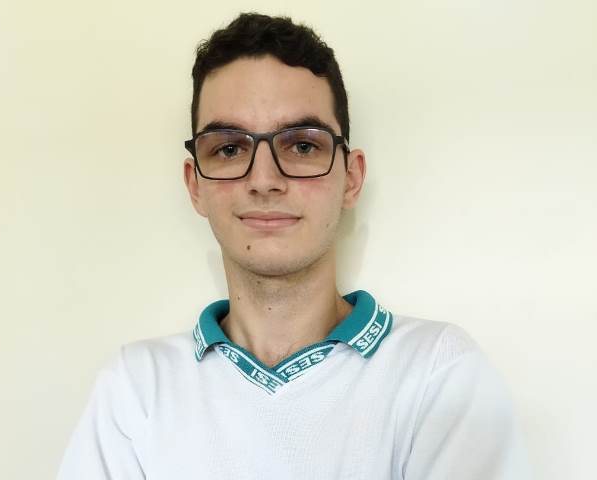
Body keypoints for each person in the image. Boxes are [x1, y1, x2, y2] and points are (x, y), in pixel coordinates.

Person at [58, 12, 531, 479]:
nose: (264, 180)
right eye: (229, 148)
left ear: (351, 178)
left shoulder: (437, 373)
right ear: (195, 183)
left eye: (302, 145)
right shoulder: (135, 388)